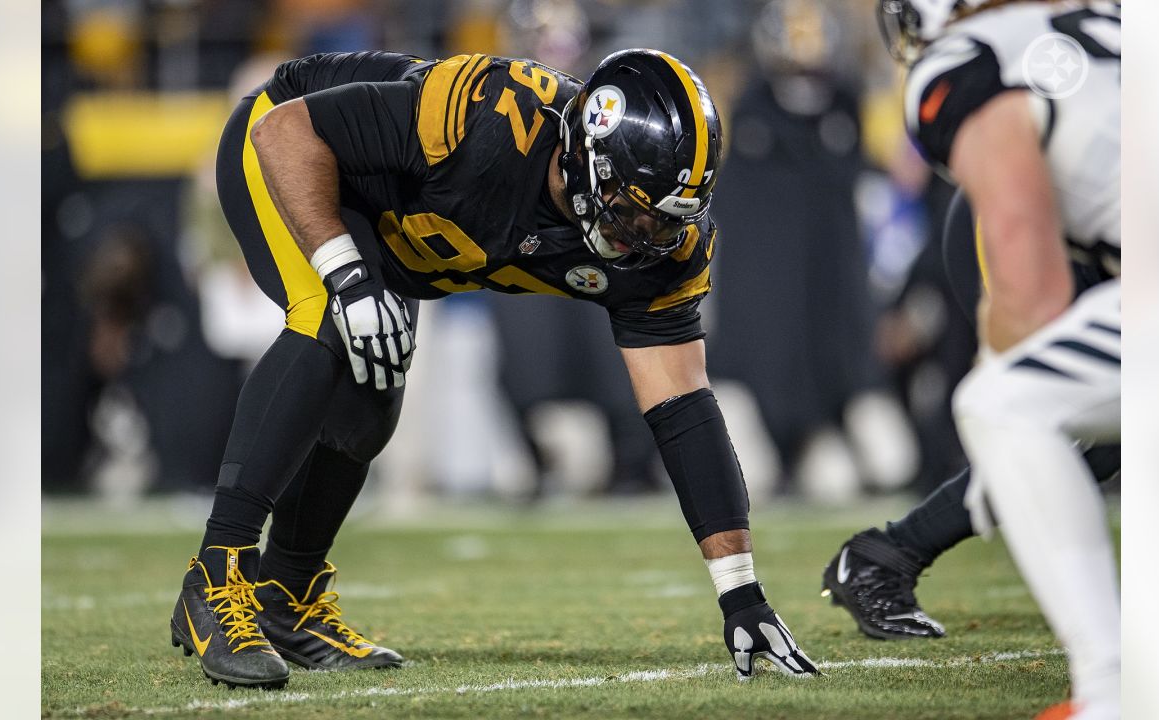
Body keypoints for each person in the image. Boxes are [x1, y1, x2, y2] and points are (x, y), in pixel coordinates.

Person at [168, 48, 820, 689]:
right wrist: (345, 271)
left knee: (373, 397)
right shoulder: (485, 118)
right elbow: (285, 132)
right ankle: (217, 571)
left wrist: (741, 594)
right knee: (326, 320)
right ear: (588, 161)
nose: (645, 237)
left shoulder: (663, 248)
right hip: (292, 147)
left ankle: (288, 597)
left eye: (666, 219)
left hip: (387, 227)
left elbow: (681, 408)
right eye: (634, 208)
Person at [862, 2, 1122, 718]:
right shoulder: (1109, 23)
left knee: (1000, 403)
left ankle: (1113, 692)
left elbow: (1030, 286)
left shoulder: (969, 59)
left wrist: (1006, 420)